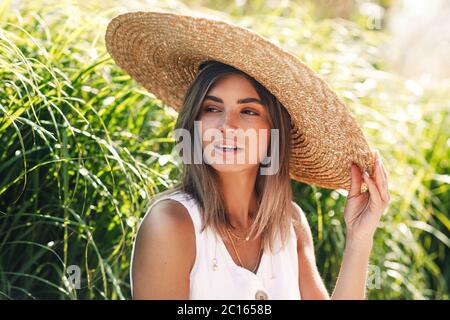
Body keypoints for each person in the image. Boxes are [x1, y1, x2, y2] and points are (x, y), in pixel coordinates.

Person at [104, 11, 390, 300]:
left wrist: (358, 238)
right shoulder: (172, 223)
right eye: (212, 108)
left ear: (273, 131)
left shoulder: (290, 224)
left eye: (249, 111)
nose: (226, 126)